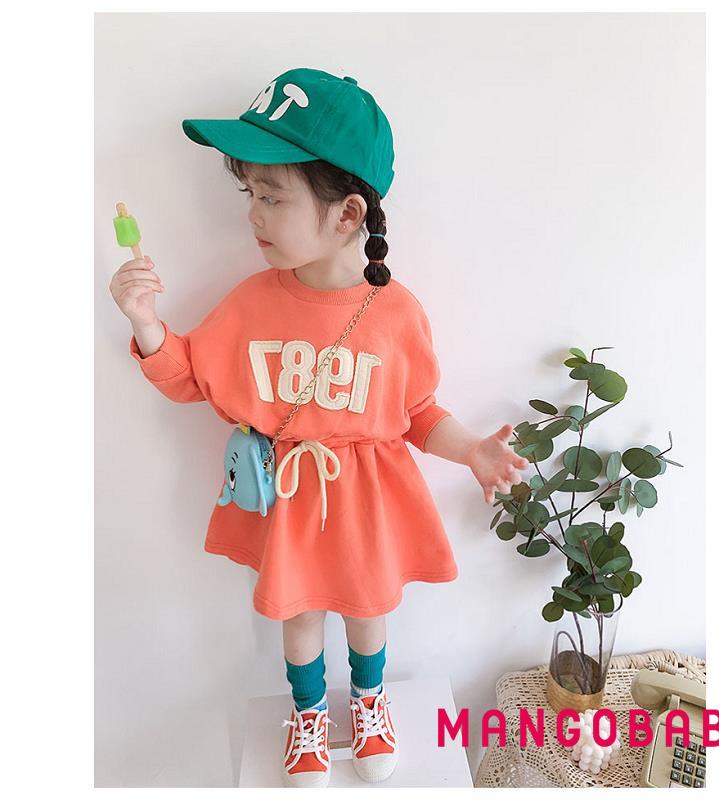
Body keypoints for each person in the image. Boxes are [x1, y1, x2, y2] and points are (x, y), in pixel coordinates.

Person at [109, 67, 527, 788]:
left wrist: (472, 453)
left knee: (367, 609)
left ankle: (369, 705)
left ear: (347, 214)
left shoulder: (397, 313)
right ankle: (307, 717)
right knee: (299, 614)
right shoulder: (250, 302)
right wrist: (147, 324)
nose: (254, 215)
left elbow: (417, 413)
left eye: (272, 196)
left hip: (367, 500)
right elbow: (190, 377)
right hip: (291, 496)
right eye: (251, 194)